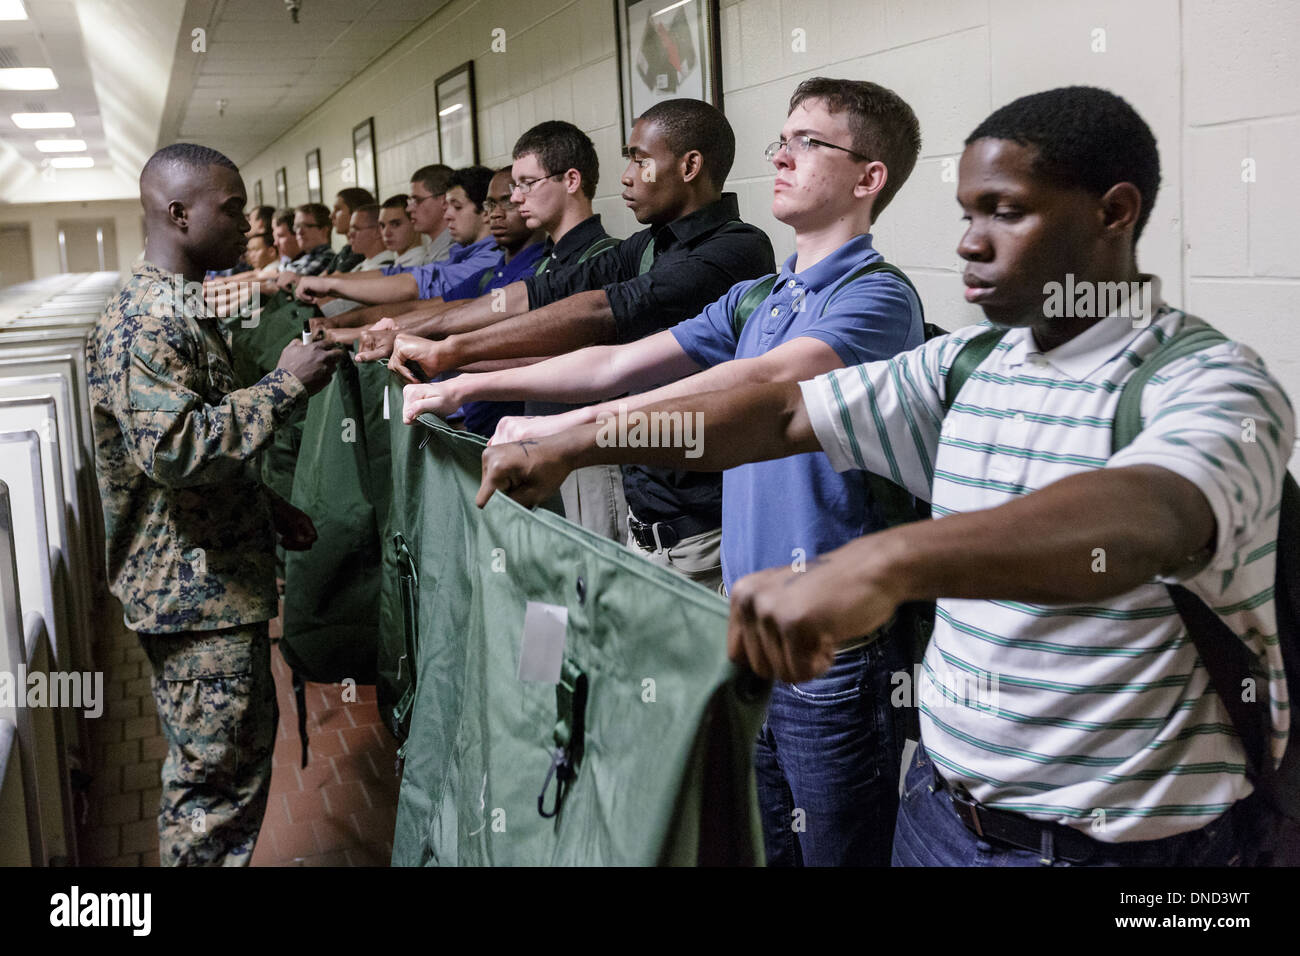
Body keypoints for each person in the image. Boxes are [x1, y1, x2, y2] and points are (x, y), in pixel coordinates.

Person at [477, 87, 1294, 867]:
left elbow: (1148, 516)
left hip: (1121, 851)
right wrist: (581, 441)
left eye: (1006, 213)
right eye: (969, 215)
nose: (970, 242)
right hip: (943, 814)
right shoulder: (966, 366)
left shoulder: (1209, 382)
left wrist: (882, 562)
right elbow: (780, 413)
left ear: (1115, 213)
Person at [405, 78, 924, 865]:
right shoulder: (759, 296)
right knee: (761, 845)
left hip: (833, 652)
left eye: (807, 142)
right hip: (743, 625)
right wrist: (467, 382)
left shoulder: (876, 300)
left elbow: (759, 390)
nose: (779, 154)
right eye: (780, 139)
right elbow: (617, 361)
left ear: (869, 177)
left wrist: (572, 434)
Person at [391, 100, 777, 586]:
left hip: (702, 523)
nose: (626, 177)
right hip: (649, 507)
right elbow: (542, 292)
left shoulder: (736, 247)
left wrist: (454, 354)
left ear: (690, 166)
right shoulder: (653, 243)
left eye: (639, 159)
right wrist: (433, 333)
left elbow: (605, 315)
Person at [86, 142, 345, 866]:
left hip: (209, 583)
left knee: (226, 776)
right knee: (211, 794)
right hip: (192, 599)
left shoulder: (177, 308)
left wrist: (262, 503)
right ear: (177, 212)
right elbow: (172, 450)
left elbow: (193, 437)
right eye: (230, 209)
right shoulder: (148, 322)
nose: (244, 222)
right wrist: (285, 384)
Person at [291, 166, 500, 311]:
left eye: (456, 207)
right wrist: (328, 283)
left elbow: (415, 289)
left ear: (486, 211)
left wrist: (331, 287)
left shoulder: (491, 259)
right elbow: (399, 274)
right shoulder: (460, 254)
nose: (447, 215)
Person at [378, 194, 436, 269]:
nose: (386, 233)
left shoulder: (422, 266)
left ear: (415, 222)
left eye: (395, 224)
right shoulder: (398, 263)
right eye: (383, 226)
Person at [329, 187, 377, 273]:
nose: (331, 216)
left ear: (356, 213)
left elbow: (331, 281)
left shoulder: (360, 253)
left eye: (338, 209)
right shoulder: (346, 250)